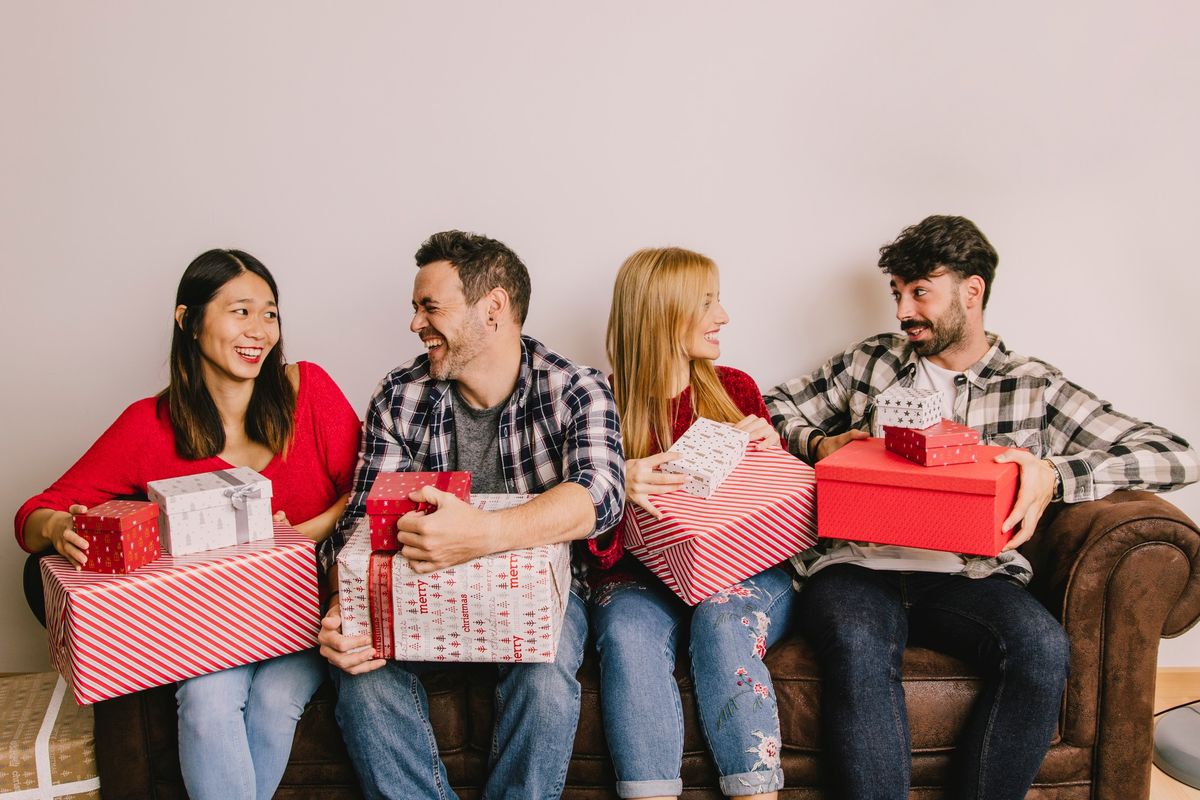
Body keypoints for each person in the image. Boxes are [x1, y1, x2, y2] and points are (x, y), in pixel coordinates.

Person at [765, 215, 1200, 800]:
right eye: (897, 294)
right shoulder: (871, 362)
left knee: (1041, 651)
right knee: (857, 646)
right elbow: (769, 405)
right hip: (856, 567)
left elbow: (1175, 455)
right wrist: (818, 442)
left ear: (972, 291)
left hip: (969, 574)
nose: (903, 311)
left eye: (920, 292)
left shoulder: (1034, 385)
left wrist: (1054, 472)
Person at [14, 249, 362, 800]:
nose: (260, 330)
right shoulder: (146, 427)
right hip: (213, 624)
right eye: (240, 311)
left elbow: (365, 492)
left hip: (305, 610)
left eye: (270, 313)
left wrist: (298, 535)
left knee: (274, 701)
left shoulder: (309, 391)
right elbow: (32, 514)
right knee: (206, 699)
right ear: (188, 320)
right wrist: (58, 527)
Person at [316, 230, 625, 800]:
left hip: (542, 600)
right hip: (414, 594)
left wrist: (481, 533)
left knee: (547, 677)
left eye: (430, 307)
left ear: (494, 309)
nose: (415, 324)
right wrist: (344, 603)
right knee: (358, 674)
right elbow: (355, 530)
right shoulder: (400, 396)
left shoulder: (577, 390)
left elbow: (600, 495)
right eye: (415, 308)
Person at [589, 246, 793, 800]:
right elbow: (589, 551)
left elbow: (777, 522)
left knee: (721, 621)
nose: (723, 316)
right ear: (661, 312)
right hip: (638, 580)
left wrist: (770, 457)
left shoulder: (738, 390)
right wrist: (614, 487)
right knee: (627, 632)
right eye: (707, 302)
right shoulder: (598, 407)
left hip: (742, 574)